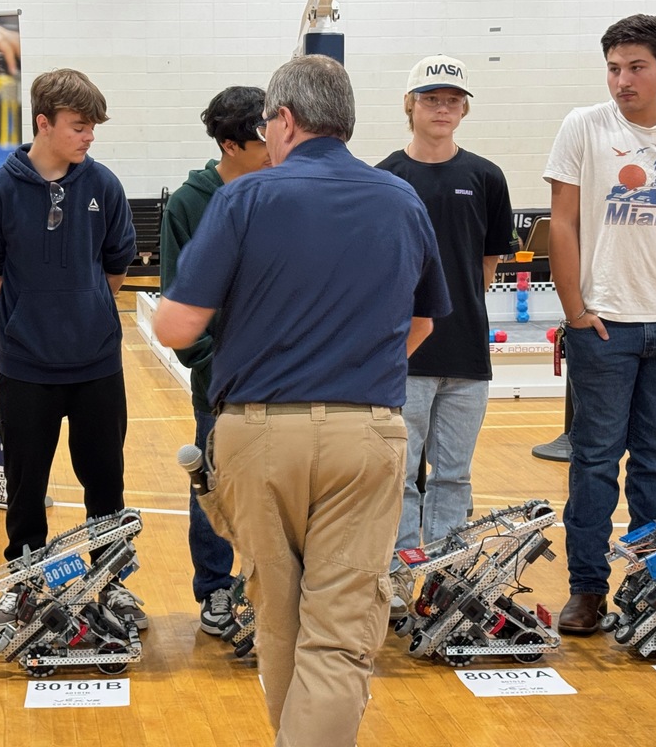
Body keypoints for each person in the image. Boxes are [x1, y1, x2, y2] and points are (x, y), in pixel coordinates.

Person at [153, 55, 450, 747]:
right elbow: (426, 321)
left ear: (284, 120)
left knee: (279, 619)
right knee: (341, 633)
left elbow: (176, 326)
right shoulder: (400, 199)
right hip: (367, 432)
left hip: (258, 435)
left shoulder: (245, 198)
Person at [0, 69, 140, 635]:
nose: (90, 136)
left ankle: (111, 587)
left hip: (96, 366)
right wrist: (33, 316)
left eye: (93, 126)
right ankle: (22, 587)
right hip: (25, 369)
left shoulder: (105, 186)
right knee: (25, 487)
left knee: (105, 485)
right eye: (80, 125)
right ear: (43, 123)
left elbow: (116, 268)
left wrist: (83, 307)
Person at [377, 55, 515, 618]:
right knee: (401, 478)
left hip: (466, 356)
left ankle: (445, 580)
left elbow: (484, 267)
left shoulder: (485, 176)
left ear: (464, 109)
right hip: (404, 356)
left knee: (453, 476)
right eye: (432, 98)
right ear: (410, 104)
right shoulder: (385, 176)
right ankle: (399, 581)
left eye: (454, 100)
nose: (443, 108)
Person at [545, 13, 656, 635]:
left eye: (636, 67)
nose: (623, 80)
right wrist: (574, 310)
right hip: (604, 327)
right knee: (594, 462)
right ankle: (587, 589)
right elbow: (560, 223)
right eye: (614, 68)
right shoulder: (584, 127)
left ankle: (649, 589)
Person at [159, 86, 271, 636]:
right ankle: (215, 591)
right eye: (260, 137)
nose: (274, 145)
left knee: (276, 493)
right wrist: (213, 364)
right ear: (229, 144)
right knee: (211, 488)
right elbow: (177, 299)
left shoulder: (283, 191)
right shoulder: (189, 203)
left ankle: (270, 589)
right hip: (220, 386)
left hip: (284, 383)